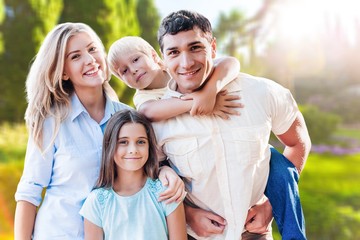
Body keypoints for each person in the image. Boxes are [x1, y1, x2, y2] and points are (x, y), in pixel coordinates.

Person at [14, 22, 185, 240]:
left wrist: (164, 171)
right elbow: (29, 192)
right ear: (63, 72)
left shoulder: (129, 118)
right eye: (75, 56)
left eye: (92, 49)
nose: (89, 60)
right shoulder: (52, 122)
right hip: (60, 233)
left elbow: (147, 167)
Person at [155, 10, 312, 240]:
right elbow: (147, 178)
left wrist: (270, 205)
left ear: (213, 47)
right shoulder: (157, 120)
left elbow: (298, 143)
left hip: (254, 235)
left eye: (195, 47)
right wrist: (186, 215)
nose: (186, 62)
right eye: (174, 52)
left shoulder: (262, 93)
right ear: (163, 58)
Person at [80, 109, 187, 240]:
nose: (133, 150)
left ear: (149, 146)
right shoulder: (96, 202)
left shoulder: (166, 192)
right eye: (123, 142)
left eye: (141, 142)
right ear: (110, 146)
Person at [107, 36, 243, 122]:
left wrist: (209, 92)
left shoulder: (176, 66)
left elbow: (230, 62)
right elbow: (148, 111)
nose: (133, 70)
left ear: (154, 56)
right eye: (124, 71)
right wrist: (199, 102)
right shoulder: (143, 97)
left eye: (136, 59)